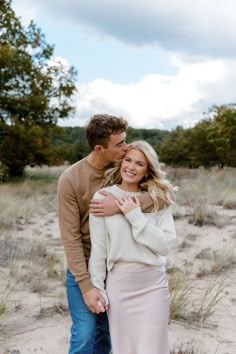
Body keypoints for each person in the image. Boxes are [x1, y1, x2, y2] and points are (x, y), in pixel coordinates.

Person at [57, 115, 153, 354]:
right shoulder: (70, 179)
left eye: (126, 140)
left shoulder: (126, 168)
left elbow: (162, 197)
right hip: (84, 267)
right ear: (99, 148)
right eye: (120, 144)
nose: (126, 148)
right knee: (85, 332)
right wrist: (87, 286)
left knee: (108, 333)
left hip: (119, 266)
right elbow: (71, 239)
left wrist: (121, 203)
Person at [89, 140, 177, 354]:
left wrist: (134, 215)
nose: (131, 167)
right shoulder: (102, 197)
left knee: (153, 349)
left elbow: (164, 246)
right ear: (121, 162)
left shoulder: (158, 199)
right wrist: (97, 287)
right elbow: (99, 249)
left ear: (147, 170)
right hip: (120, 286)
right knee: (124, 349)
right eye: (128, 160)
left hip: (153, 286)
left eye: (139, 163)